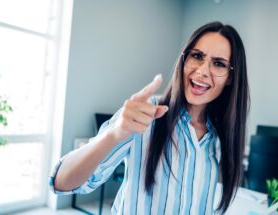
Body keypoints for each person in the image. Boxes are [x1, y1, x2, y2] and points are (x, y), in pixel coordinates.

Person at [50, 21, 249, 214]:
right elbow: (61, 182)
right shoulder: (146, 113)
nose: (203, 71)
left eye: (218, 64)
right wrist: (113, 134)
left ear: (231, 77)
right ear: (184, 60)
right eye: (197, 56)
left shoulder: (220, 136)